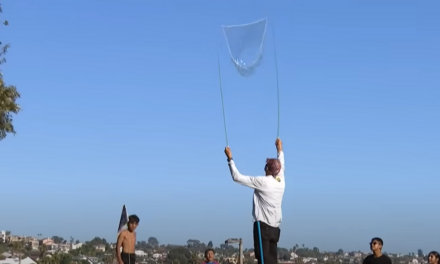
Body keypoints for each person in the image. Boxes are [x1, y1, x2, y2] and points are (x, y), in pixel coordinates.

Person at [224, 138, 285, 264]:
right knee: (272, 261)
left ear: (268, 170)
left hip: (263, 227)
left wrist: (230, 159)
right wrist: (279, 149)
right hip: (276, 229)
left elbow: (237, 177)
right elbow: (282, 164)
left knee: (262, 259)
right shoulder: (281, 180)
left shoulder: (263, 182)